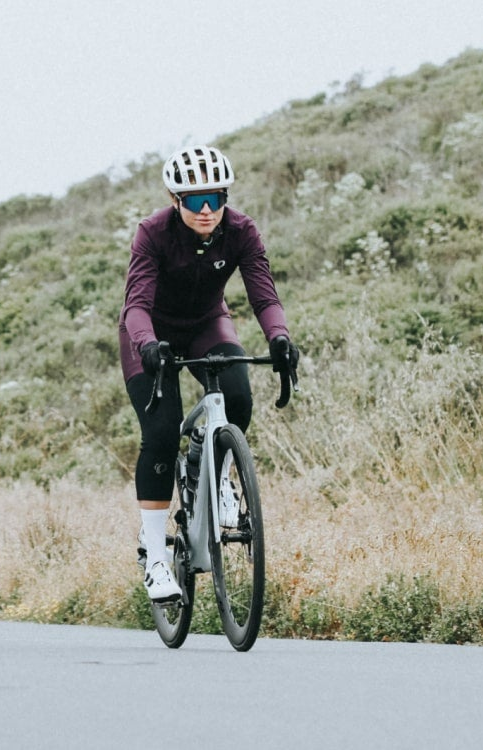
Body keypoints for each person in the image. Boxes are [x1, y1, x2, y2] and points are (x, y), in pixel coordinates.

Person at [120, 145, 298, 602]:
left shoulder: (241, 230)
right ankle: (156, 555)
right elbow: (136, 306)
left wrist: (278, 337)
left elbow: (263, 295)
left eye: (215, 199)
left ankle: (215, 474)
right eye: (194, 201)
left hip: (205, 323)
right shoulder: (152, 233)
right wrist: (147, 346)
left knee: (237, 397)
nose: (206, 211)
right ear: (175, 200)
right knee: (160, 433)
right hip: (150, 334)